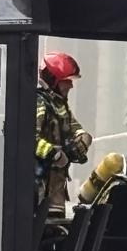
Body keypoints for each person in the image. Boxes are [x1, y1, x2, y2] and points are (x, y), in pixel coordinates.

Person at [34, 52, 92, 216]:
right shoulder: (39, 103)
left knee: (55, 228)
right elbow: (29, 139)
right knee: (43, 231)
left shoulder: (60, 105)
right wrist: (55, 154)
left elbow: (75, 128)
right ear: (53, 81)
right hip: (40, 186)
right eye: (66, 81)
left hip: (56, 186)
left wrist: (84, 139)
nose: (70, 86)